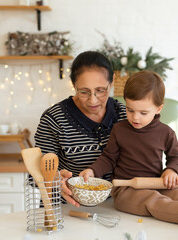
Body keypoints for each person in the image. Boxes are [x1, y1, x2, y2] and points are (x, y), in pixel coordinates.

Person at [80, 70, 178, 226]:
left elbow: (176, 157)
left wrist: (171, 170)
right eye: (130, 110)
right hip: (127, 191)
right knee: (154, 201)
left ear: (158, 109)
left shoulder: (166, 132)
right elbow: (108, 158)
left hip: (157, 183)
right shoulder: (119, 130)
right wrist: (93, 171)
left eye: (143, 112)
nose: (135, 117)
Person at [34, 51, 127, 207]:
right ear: (73, 85)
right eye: (84, 92)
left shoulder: (126, 115)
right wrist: (55, 180)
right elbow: (37, 173)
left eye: (101, 90)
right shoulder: (54, 119)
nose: (93, 100)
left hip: (116, 207)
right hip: (65, 208)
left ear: (111, 83)